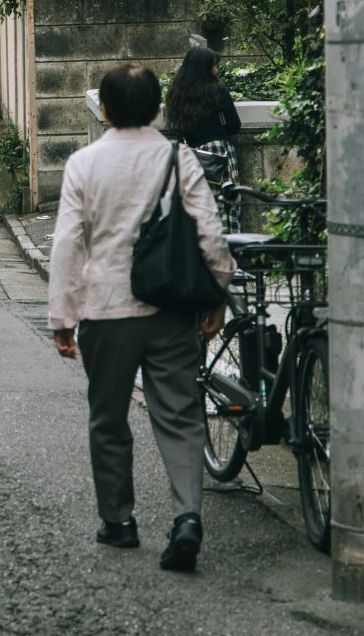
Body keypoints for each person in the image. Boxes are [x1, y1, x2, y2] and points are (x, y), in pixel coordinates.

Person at [49, 63, 234, 572]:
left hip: (105, 311)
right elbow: (209, 231)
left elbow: (67, 244)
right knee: (179, 413)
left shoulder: (84, 164)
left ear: (103, 109)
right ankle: (188, 516)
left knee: (108, 417)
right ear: (157, 109)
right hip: (169, 307)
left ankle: (119, 521)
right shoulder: (178, 159)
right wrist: (218, 292)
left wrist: (62, 317)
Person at [164, 43, 243, 189]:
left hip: (189, 154)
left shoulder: (176, 94)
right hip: (218, 150)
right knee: (224, 201)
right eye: (214, 65)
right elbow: (234, 127)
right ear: (206, 68)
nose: (216, 69)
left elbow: (177, 130)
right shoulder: (217, 91)